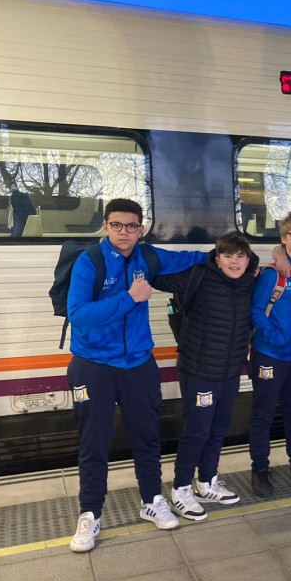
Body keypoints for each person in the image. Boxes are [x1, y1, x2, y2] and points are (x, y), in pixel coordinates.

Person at [67, 198, 207, 552]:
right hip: (93, 364)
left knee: (147, 438)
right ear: (105, 226)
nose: (124, 232)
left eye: (131, 226)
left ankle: (151, 501)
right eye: (117, 225)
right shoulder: (90, 262)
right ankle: (90, 514)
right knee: (94, 443)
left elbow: (195, 257)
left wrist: (248, 259)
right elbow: (79, 314)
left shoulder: (149, 257)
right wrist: (130, 298)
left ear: (141, 229)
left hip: (138, 365)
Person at [150, 232, 259, 520]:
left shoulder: (251, 280)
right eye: (228, 256)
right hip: (199, 371)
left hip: (231, 370)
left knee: (219, 428)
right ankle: (181, 489)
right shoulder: (197, 275)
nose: (234, 262)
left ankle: (207, 482)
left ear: (248, 259)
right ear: (217, 258)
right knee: (197, 432)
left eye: (240, 256)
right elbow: (155, 277)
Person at [248, 211, 291, 497]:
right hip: (270, 355)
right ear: (285, 238)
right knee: (263, 413)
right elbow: (255, 312)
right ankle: (260, 468)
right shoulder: (273, 274)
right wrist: (278, 337)